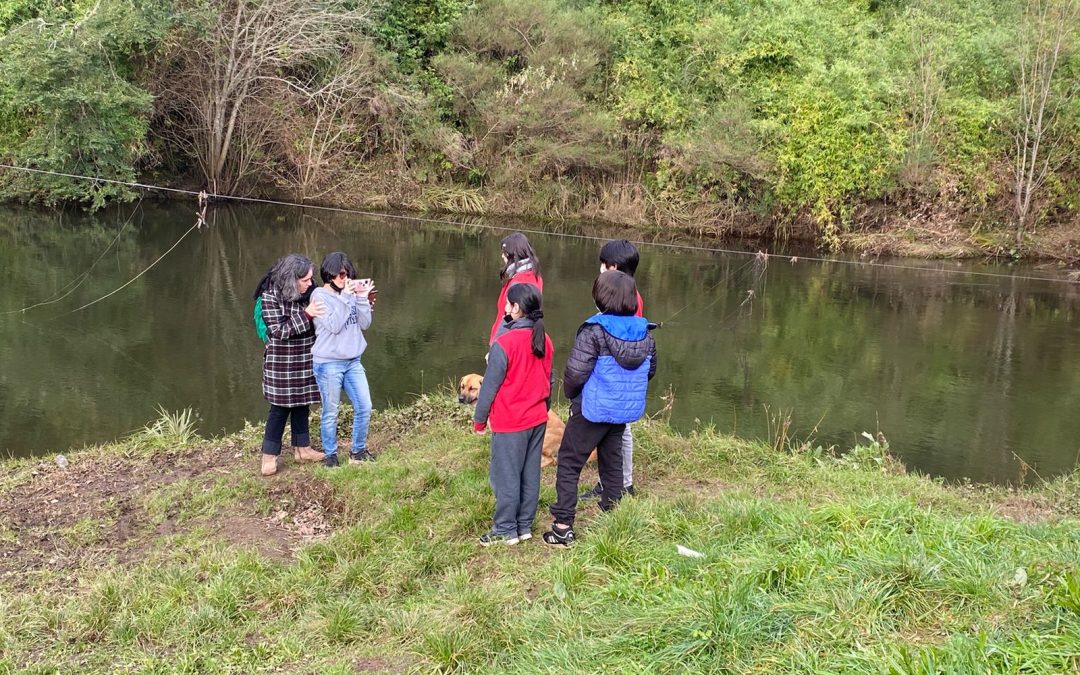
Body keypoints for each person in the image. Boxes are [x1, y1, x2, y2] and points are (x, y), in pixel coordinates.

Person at [543, 271, 657, 547]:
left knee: (569, 462)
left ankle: (562, 527)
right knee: (611, 460)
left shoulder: (594, 330)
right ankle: (613, 514)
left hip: (591, 408)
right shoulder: (645, 332)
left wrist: (572, 395)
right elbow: (650, 371)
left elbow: (575, 372)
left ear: (599, 297)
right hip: (622, 409)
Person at [473, 283, 554, 546]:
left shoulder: (504, 343)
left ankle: (505, 529)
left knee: (505, 475)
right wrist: (545, 409)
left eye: (508, 305)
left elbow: (489, 387)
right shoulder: (545, 339)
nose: (505, 308)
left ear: (516, 309)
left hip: (510, 422)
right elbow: (549, 380)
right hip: (538, 418)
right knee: (530, 473)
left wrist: (479, 420)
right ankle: (524, 525)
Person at [581, 239, 643, 501]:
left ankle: (622, 484)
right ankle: (611, 482)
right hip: (617, 374)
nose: (599, 270)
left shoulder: (627, 298)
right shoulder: (626, 292)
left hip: (618, 375)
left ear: (614, 267)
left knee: (621, 430)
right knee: (615, 430)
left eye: (602, 265)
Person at [256, 254, 327, 477]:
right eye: (305, 280)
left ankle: (302, 449)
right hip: (281, 362)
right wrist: (306, 314)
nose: (309, 283)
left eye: (310, 279)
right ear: (291, 278)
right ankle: (269, 456)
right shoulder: (269, 297)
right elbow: (278, 331)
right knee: (279, 409)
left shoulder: (310, 293)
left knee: (302, 404)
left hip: (306, 358)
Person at [311, 252, 375, 467]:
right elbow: (334, 325)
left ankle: (357, 452)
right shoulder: (319, 296)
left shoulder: (350, 294)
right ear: (329, 274)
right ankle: (330, 455)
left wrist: (362, 299)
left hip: (353, 360)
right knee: (331, 410)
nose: (344, 279)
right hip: (328, 363)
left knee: (364, 405)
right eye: (340, 275)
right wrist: (346, 298)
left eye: (347, 275)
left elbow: (365, 323)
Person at [489, 232, 543, 345]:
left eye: (504, 253)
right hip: (525, 341)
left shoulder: (518, 283)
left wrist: (496, 345)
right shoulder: (535, 277)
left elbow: (510, 318)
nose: (502, 256)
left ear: (513, 255)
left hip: (507, 344)